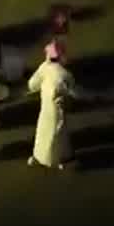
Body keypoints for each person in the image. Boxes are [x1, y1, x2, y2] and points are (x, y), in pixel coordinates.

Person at [27, 41, 87, 169]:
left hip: (45, 109)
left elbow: (32, 84)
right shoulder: (64, 74)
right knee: (58, 134)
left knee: (42, 132)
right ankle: (61, 159)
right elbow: (74, 92)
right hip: (57, 110)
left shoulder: (44, 67)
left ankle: (38, 157)